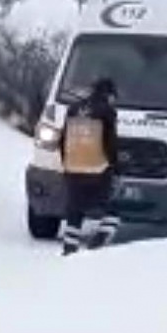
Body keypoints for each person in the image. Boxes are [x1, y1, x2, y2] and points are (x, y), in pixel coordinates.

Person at [59, 76, 121, 255]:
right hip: (97, 169)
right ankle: (99, 242)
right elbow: (110, 143)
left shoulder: (73, 108)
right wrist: (115, 167)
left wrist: (67, 163)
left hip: (73, 167)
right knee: (112, 208)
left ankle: (69, 249)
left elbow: (63, 140)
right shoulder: (107, 111)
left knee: (75, 210)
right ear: (109, 94)